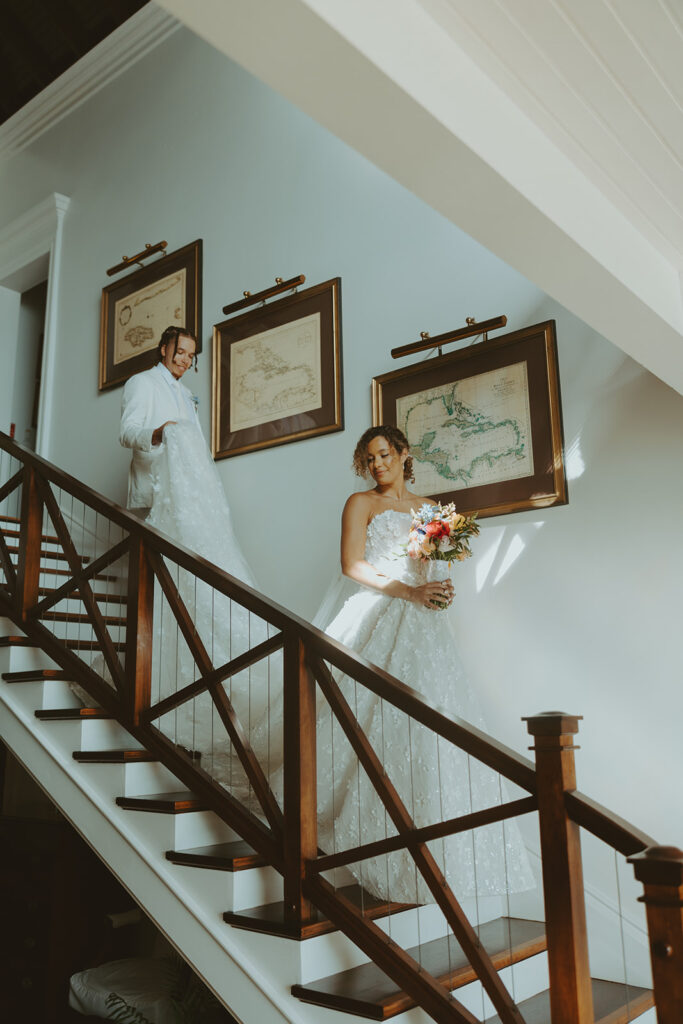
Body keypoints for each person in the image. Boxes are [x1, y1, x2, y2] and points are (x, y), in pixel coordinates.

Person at [313, 425, 535, 904]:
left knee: (430, 731)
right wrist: (409, 590)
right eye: (369, 458)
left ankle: (429, 857)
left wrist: (436, 588)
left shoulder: (432, 512)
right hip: (379, 615)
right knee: (364, 718)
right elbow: (352, 565)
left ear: (404, 454)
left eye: (385, 454)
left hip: (424, 630)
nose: (377, 465)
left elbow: (433, 567)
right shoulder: (362, 504)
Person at [119, 326, 200, 516]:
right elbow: (126, 433)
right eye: (180, 352)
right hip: (154, 491)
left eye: (190, 356)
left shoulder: (188, 394)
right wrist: (157, 434)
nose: (185, 361)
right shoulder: (141, 382)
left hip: (187, 494)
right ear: (164, 350)